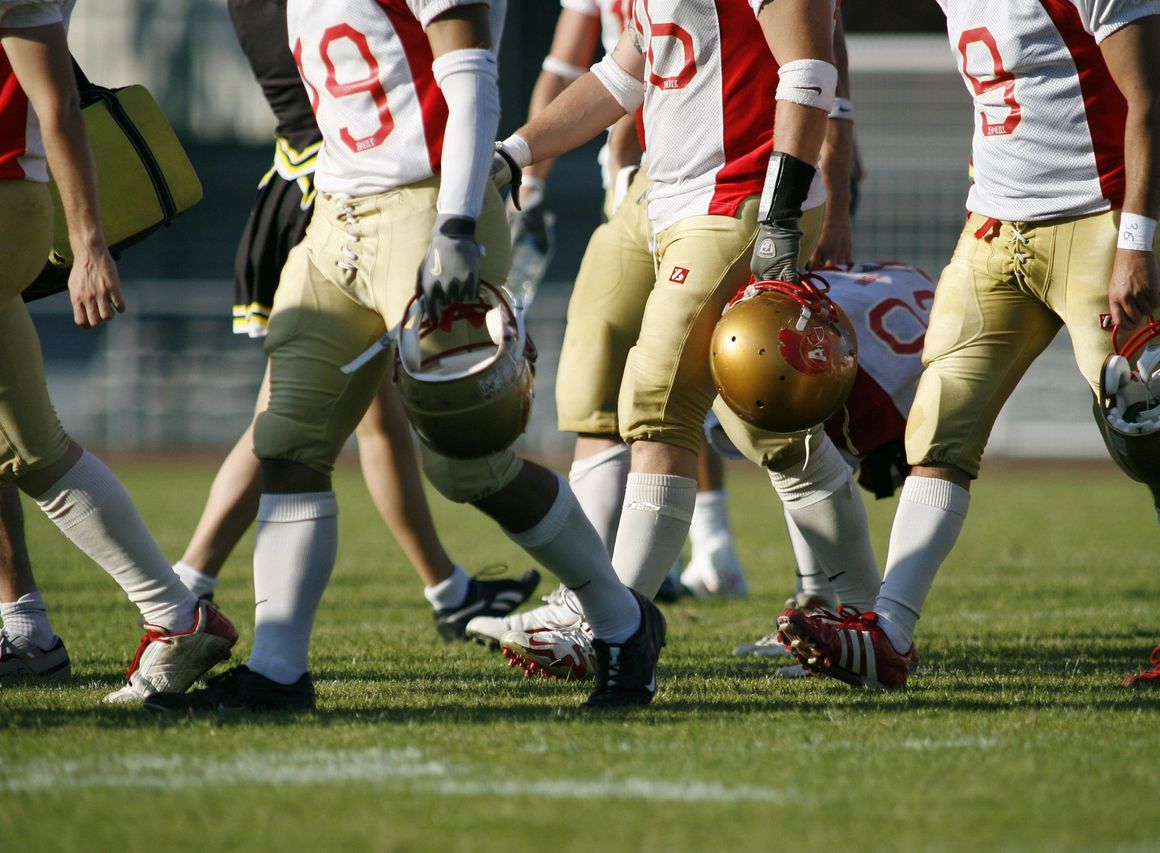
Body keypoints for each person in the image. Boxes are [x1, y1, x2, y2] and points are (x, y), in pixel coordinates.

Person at [144, 0, 663, 713]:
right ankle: (278, 670)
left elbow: (471, 72)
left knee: (468, 461)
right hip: (337, 215)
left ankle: (620, 620)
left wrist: (456, 221)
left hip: (427, 207)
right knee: (289, 439)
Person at [777, 0, 1160, 690]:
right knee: (938, 427)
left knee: (1156, 430)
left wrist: (1136, 243)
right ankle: (889, 634)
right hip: (997, 229)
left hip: (1101, 220)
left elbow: (1153, 102)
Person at [488, 0, 882, 680]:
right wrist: (518, 150)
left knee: (658, 401)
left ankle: (609, 619)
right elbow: (622, 75)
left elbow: (812, 68)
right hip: (662, 195)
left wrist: (783, 211)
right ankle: (858, 616)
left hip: (739, 196)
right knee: (752, 418)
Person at [170, 0, 541, 641]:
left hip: (355, 184)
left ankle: (471, 590)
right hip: (342, 190)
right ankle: (193, 587)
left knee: (406, 431)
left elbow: (465, 71)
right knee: (295, 423)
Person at [0, 0, 237, 699]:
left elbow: (59, 102)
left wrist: (89, 244)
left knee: (32, 449)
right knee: (25, 443)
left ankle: (173, 613)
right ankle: (33, 628)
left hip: (7, 191)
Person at [728, 261, 931, 675]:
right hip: (901, 330)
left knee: (794, 443)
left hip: (875, 362)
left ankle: (863, 619)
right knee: (796, 446)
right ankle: (831, 606)